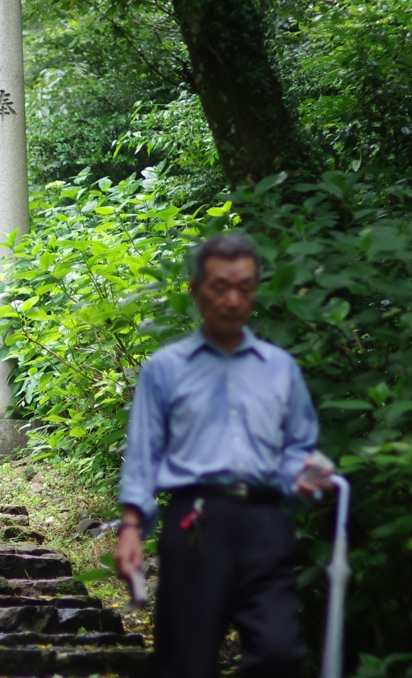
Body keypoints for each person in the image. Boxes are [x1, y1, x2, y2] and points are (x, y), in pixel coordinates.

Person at [114, 233, 336, 678]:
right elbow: (143, 455)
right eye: (220, 286)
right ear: (196, 291)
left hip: (265, 521)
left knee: (279, 653)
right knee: (187, 661)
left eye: (245, 287)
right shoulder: (165, 369)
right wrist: (133, 526)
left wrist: (305, 477)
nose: (233, 300)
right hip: (194, 520)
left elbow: (298, 448)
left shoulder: (280, 368)